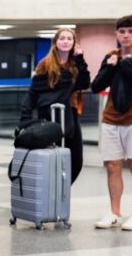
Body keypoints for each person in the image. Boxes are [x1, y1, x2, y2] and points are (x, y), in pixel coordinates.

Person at [20, 27, 89, 184]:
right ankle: (50, 190)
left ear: (74, 43)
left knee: (76, 160)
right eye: (62, 38)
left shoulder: (76, 64)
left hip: (69, 113)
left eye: (69, 39)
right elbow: (35, 90)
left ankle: (62, 189)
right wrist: (26, 117)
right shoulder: (45, 64)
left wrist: (80, 59)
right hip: (48, 113)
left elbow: (84, 83)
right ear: (55, 42)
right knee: (50, 155)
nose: (66, 42)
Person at [92, 14, 132, 230]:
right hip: (111, 118)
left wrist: (124, 64)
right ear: (116, 34)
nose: (126, 35)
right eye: (122, 31)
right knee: (112, 165)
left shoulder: (126, 59)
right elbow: (96, 86)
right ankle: (115, 212)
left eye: (131, 31)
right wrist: (110, 67)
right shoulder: (111, 56)